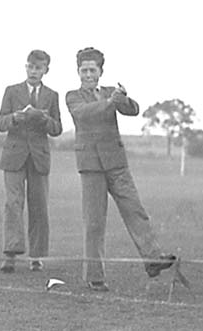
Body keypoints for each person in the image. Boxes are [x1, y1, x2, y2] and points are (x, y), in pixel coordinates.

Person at [65, 47, 175, 292]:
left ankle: (153, 260)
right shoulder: (73, 96)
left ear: (101, 71)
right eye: (84, 70)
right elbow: (83, 114)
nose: (88, 75)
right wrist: (110, 102)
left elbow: (133, 109)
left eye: (92, 70)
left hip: (117, 163)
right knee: (94, 223)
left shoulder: (108, 93)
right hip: (91, 166)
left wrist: (122, 98)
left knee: (136, 211)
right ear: (78, 72)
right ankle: (95, 276)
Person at [0, 50, 62, 273]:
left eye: (39, 68)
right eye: (30, 67)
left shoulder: (52, 96)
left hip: (39, 157)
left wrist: (43, 119)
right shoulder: (11, 91)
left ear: (46, 70)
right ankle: (10, 255)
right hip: (14, 156)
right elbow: (0, 122)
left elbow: (57, 129)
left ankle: (36, 256)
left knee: (39, 207)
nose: (34, 71)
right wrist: (15, 117)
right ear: (26, 67)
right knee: (13, 204)